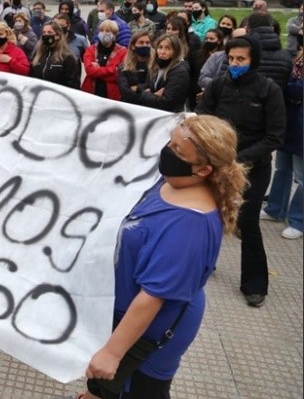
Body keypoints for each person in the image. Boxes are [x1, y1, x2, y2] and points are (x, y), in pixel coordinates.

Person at [81, 115, 248, 399]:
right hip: (125, 311)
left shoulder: (189, 226)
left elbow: (152, 298)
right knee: (105, 386)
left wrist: (112, 352)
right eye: (170, 143)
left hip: (153, 328)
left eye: (178, 151)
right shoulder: (173, 180)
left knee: (142, 391)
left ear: (204, 169)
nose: (168, 152)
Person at [196, 36, 286, 308]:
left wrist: (239, 159)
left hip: (251, 169)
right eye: (231, 59)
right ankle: (201, 266)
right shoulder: (218, 85)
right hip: (217, 163)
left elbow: (275, 137)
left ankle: (255, 285)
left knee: (247, 224)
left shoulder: (268, 90)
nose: (234, 64)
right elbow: (202, 116)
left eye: (241, 60)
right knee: (208, 217)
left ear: (253, 61)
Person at [261, 30, 303, 240]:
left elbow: (297, 88)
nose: (300, 31)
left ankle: (298, 220)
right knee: (282, 168)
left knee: (301, 176)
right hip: (289, 120)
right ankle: (275, 208)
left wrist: (289, 85)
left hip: (301, 123)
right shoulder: (297, 54)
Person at [122, 34, 189, 112]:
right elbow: (148, 87)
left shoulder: (179, 71)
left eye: (168, 48)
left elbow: (165, 102)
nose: (162, 52)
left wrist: (145, 94)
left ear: (175, 51)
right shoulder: (157, 67)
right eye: (160, 47)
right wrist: (152, 94)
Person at [82, 20, 128, 100]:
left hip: (112, 95)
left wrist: (97, 71)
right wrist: (112, 70)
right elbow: (89, 70)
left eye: (107, 31)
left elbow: (118, 76)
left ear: (115, 34)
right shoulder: (91, 49)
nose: (104, 33)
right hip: (90, 93)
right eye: (101, 30)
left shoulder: (123, 52)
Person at [30, 20, 79, 89]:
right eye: (44, 33)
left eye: (49, 32)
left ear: (57, 36)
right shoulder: (37, 54)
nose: (46, 35)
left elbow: (72, 83)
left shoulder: (67, 57)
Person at [117, 30, 153, 104]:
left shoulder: (156, 66)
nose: (145, 45)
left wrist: (138, 88)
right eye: (141, 42)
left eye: (147, 43)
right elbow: (125, 92)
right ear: (133, 46)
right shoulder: (124, 67)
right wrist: (146, 93)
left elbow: (155, 88)